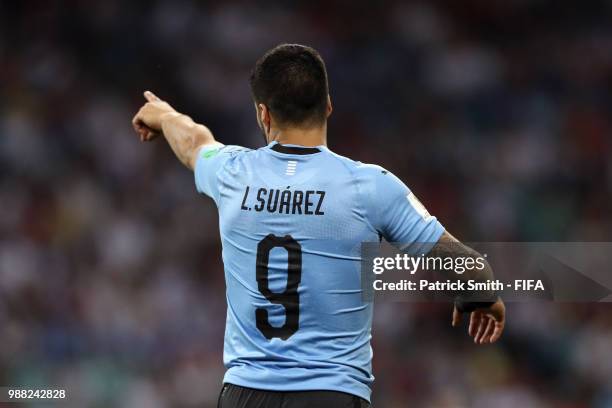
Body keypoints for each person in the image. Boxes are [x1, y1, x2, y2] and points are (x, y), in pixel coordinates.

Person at [132, 43, 505, 408]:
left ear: (264, 114)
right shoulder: (370, 186)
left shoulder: (233, 174)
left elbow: (195, 142)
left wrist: (164, 116)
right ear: (328, 105)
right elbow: (469, 267)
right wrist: (482, 297)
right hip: (331, 394)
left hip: (245, 394)